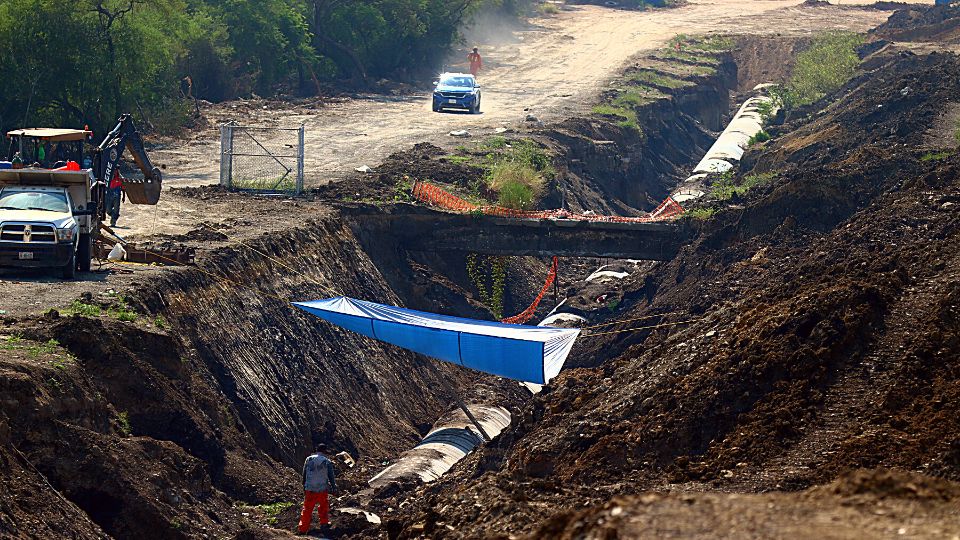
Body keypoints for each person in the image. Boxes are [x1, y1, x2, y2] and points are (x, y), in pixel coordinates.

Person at [298, 443, 337, 535]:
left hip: (310, 488)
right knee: (323, 507)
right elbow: (331, 476)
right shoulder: (327, 461)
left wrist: (304, 484)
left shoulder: (309, 459)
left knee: (307, 509)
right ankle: (324, 524)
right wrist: (334, 486)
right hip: (322, 489)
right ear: (324, 451)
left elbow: (304, 473)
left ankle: (303, 529)